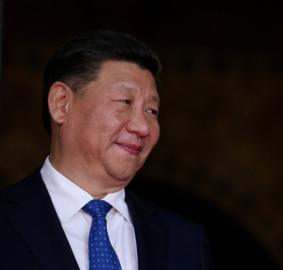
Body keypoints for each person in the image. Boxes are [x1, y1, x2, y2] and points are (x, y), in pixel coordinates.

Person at [0, 30, 212, 270]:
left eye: (151, 111)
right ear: (61, 103)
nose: (143, 127)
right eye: (125, 102)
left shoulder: (183, 241)